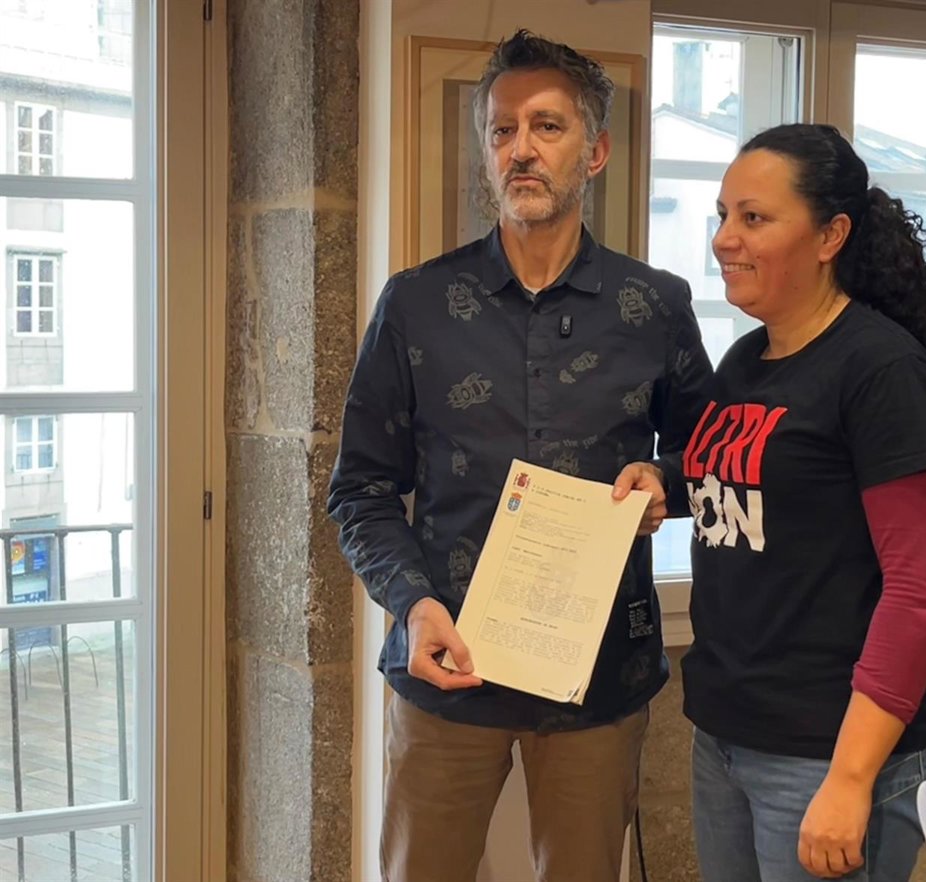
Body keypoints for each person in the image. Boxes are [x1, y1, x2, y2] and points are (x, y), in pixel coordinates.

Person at [327, 29, 713, 882]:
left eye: (546, 126)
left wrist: (667, 480)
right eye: (502, 130)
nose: (521, 150)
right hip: (447, 660)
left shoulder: (655, 305)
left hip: (599, 673)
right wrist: (411, 605)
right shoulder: (417, 304)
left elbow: (712, 456)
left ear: (595, 151)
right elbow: (360, 490)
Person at [614, 123, 926, 881]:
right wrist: (666, 481)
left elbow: (919, 594)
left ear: (830, 235)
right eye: (723, 216)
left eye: (754, 217)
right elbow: (754, 471)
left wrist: (850, 778)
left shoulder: (884, 373)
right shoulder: (749, 357)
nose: (724, 239)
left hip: (829, 753)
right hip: (728, 736)